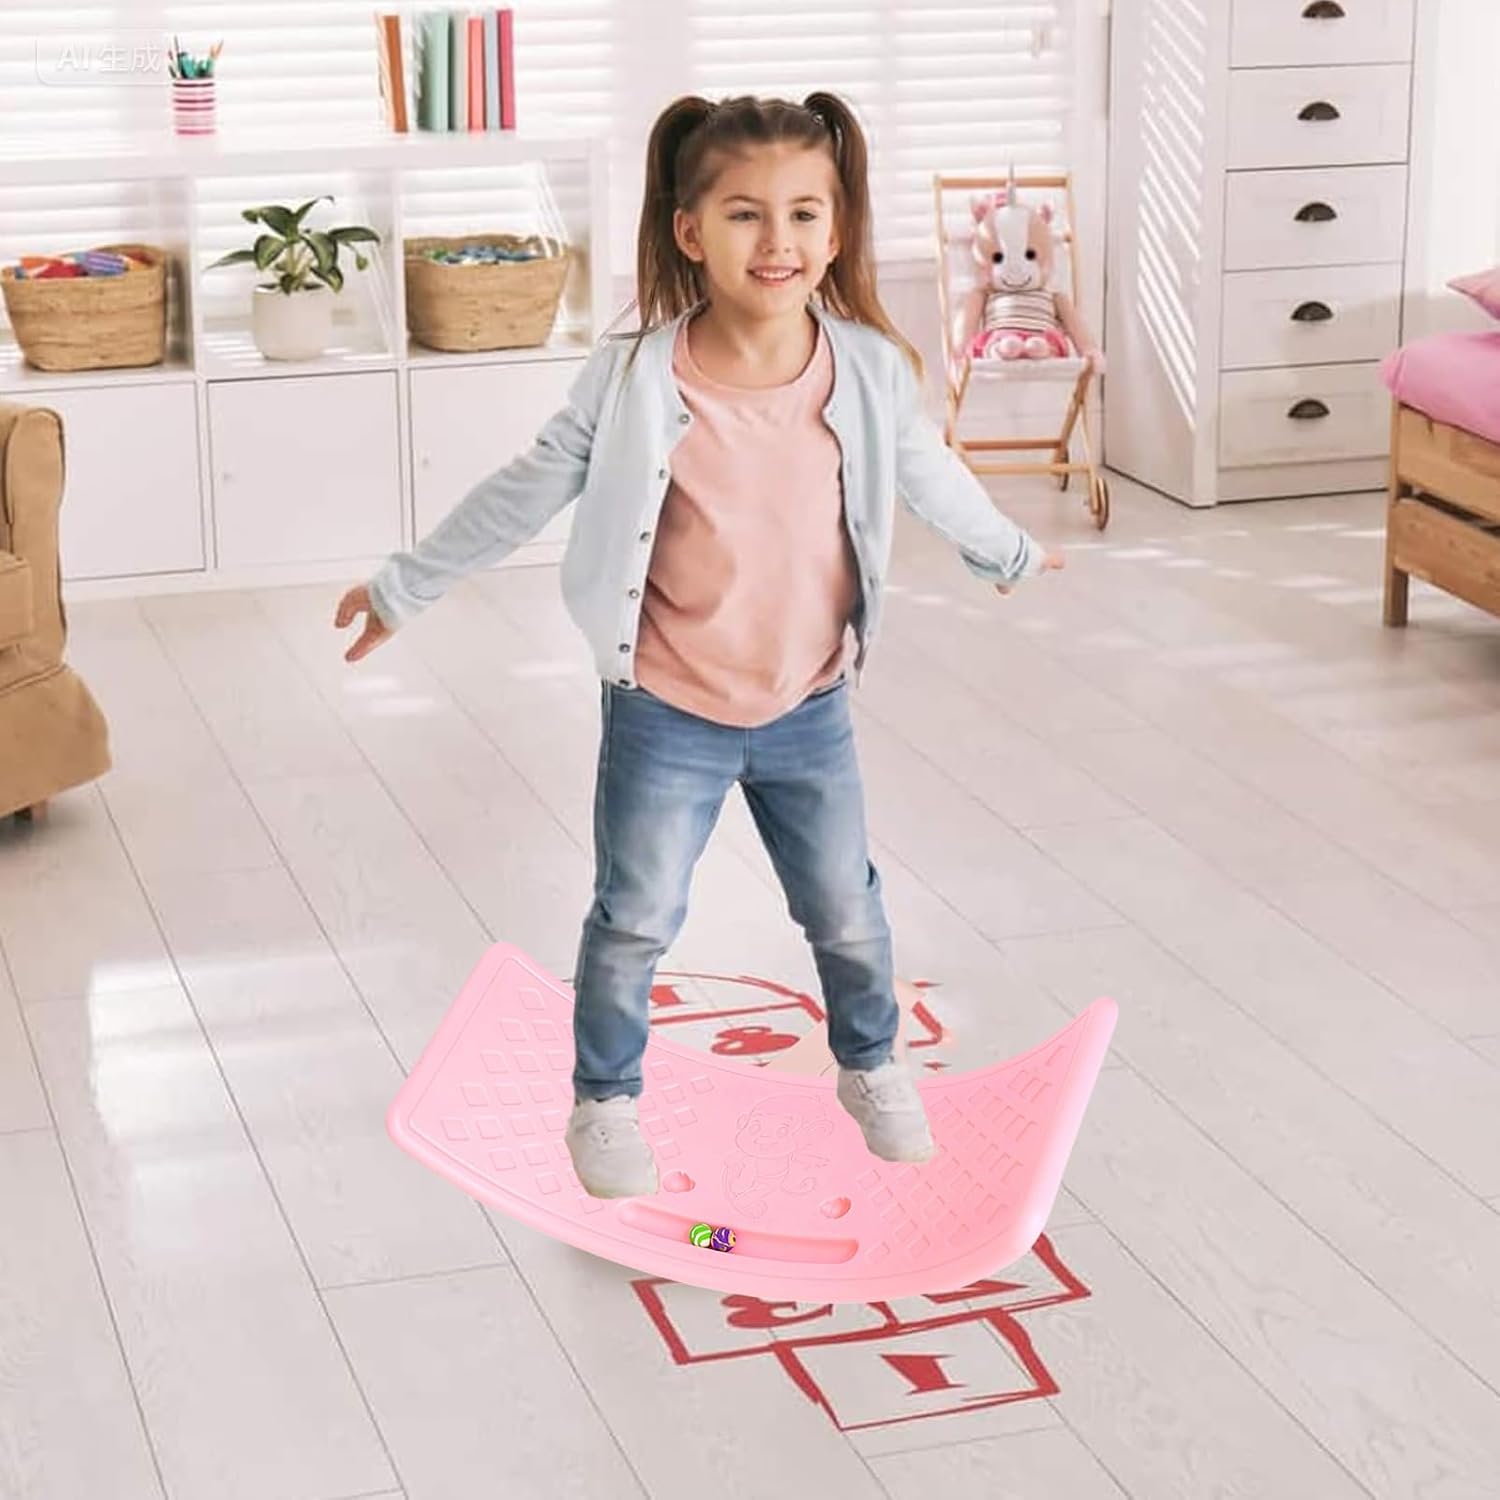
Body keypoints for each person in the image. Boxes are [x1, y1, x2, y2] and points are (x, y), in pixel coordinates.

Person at [335, 91, 1063, 1199]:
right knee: (634, 918)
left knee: (847, 911)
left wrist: (1005, 549)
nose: (779, 241)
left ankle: (871, 1065)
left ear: (837, 230)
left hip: (808, 704)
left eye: (805, 214)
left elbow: (931, 475)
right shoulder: (636, 375)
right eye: (744, 215)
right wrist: (406, 584)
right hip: (666, 708)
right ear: (690, 232)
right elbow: (525, 489)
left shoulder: (867, 368)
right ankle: (605, 1100)